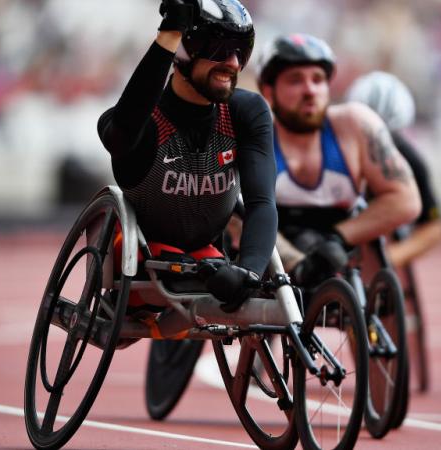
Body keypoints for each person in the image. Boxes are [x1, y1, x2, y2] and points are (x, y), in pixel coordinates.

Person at [96, 0, 277, 312]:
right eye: (219, 49)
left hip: (207, 257)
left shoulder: (247, 112)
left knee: (277, 295)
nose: (233, 63)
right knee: (189, 276)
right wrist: (168, 36)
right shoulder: (143, 122)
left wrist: (249, 272)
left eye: (241, 51)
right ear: (183, 52)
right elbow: (119, 133)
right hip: (141, 258)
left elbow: (262, 203)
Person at [254, 33, 421, 286]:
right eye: (295, 80)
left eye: (318, 79)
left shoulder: (356, 124)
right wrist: (296, 264)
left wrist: (338, 238)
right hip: (274, 249)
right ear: (268, 90)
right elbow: (237, 218)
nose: (310, 90)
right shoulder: (254, 135)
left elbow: (405, 200)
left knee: (377, 257)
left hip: (342, 240)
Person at [346, 71, 441, 268]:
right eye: (367, 137)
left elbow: (433, 227)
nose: (377, 148)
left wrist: (393, 257)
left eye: (386, 138)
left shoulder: (410, 158)